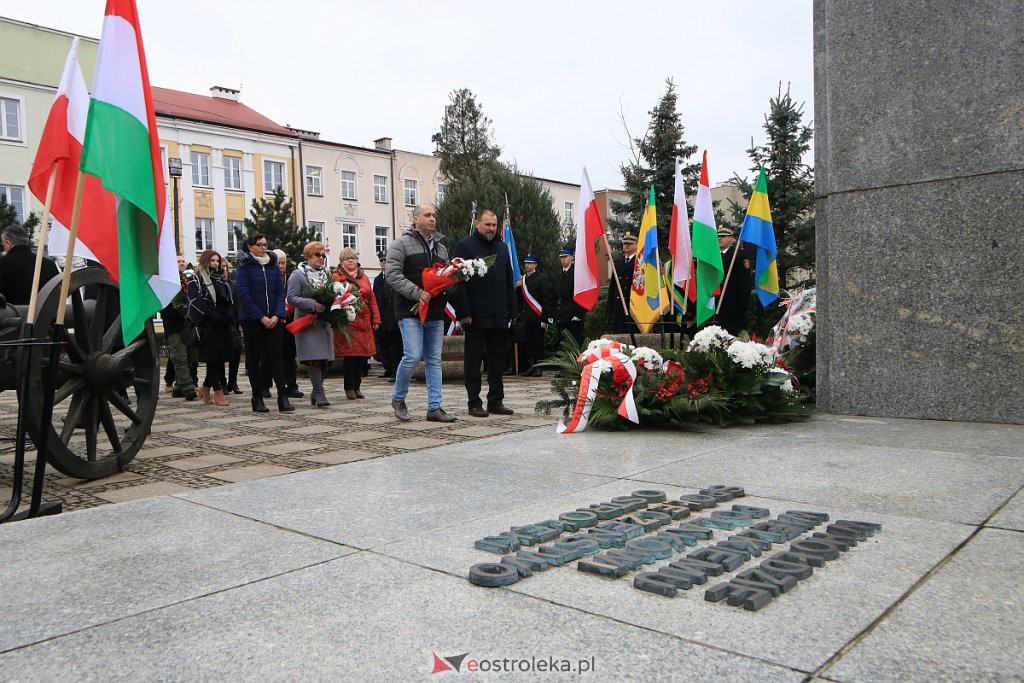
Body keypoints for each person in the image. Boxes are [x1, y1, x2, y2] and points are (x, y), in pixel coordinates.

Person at [384, 204, 456, 423]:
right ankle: (398, 399)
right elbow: (392, 275)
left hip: (434, 310)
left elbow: (445, 275)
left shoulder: (441, 248)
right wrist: (418, 293)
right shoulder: (400, 244)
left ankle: (434, 407)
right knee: (413, 355)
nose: (432, 218)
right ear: (414, 218)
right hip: (409, 310)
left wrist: (454, 282)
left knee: (434, 360)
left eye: (434, 215)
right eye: (427, 215)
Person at [450, 209, 517, 417]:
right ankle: (474, 403)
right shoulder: (464, 246)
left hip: (499, 315)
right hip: (475, 316)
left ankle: (496, 401)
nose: (491, 229)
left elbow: (508, 279)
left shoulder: (502, 247)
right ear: (478, 224)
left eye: (494, 225)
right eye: (488, 224)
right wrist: (464, 312)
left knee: (497, 362)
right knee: (473, 363)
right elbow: (458, 282)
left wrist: (513, 310)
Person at [235, 233, 294, 413]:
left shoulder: (272, 265)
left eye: (265, 244)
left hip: (273, 319)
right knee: (254, 357)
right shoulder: (244, 266)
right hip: (252, 319)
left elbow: (280, 291)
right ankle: (257, 397)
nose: (263, 248)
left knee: (276, 355)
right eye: (259, 244)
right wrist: (261, 316)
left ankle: (283, 396)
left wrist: (277, 315)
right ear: (250, 247)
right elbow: (243, 294)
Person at [287, 241, 335, 407]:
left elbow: (332, 293)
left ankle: (316, 391)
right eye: (317, 255)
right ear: (308, 256)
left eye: (323, 255)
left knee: (325, 360)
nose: (321, 258)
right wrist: (311, 304)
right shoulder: (298, 275)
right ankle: (320, 392)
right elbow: (291, 297)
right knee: (314, 359)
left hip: (324, 322)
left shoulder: (326, 274)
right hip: (307, 323)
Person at [185, 249, 234, 406]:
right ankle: (218, 392)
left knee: (220, 359)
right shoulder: (196, 278)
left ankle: (205, 389)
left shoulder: (222, 279)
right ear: (205, 261)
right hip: (207, 324)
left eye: (217, 261)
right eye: (212, 260)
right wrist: (214, 316)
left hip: (222, 323)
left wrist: (228, 315)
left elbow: (229, 299)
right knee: (213, 359)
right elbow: (196, 301)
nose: (215, 264)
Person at [333, 247, 380, 400]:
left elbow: (371, 298)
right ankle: (349, 387)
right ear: (342, 262)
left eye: (353, 257)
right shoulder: (337, 277)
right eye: (347, 258)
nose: (350, 260)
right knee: (350, 357)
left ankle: (357, 386)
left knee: (361, 357)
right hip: (349, 320)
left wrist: (376, 319)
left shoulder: (364, 276)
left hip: (364, 321)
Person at [161, 253, 197, 401]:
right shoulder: (167, 283)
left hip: (189, 325)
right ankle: (188, 387)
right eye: (178, 261)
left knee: (191, 356)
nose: (181, 263)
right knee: (179, 356)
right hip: (174, 326)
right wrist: (181, 312)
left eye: (183, 261)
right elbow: (164, 307)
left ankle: (178, 387)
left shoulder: (191, 281)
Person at [0, 224, 59, 306]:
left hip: (11, 312)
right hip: (44, 313)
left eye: (3, 245)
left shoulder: (2, 264)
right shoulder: (48, 265)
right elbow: (58, 292)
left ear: (8, 243)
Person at [273, 248, 303, 400]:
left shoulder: (291, 278)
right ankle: (265, 385)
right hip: (273, 321)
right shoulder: (269, 277)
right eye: (278, 263)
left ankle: (292, 385)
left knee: (289, 355)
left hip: (289, 322)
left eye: (283, 263)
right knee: (272, 355)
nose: (281, 266)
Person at [516, 254, 552, 376]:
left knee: (538, 343)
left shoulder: (542, 278)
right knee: (529, 343)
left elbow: (547, 299)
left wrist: (545, 319)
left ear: (535, 265)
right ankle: (531, 366)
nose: (527, 265)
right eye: (526, 263)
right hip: (527, 317)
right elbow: (520, 300)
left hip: (538, 316)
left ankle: (539, 367)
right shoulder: (522, 280)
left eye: (530, 263)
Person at [714, 226, 754, 335]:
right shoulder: (713, 256)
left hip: (732, 304)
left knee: (730, 336)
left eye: (723, 236)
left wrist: (742, 307)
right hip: (713, 303)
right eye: (718, 236)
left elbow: (745, 284)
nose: (719, 238)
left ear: (731, 239)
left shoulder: (739, 255)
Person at [372, 250, 401, 380]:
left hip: (394, 316)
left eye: (386, 260)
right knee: (383, 343)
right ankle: (388, 367)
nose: (384, 262)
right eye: (382, 260)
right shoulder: (378, 279)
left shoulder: (396, 276)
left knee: (396, 345)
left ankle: (396, 370)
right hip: (381, 316)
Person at [553, 247, 586, 347]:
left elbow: (582, 294)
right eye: (561, 257)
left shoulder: (577, 274)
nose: (563, 259)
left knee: (575, 344)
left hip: (573, 315)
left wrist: (578, 314)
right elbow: (555, 295)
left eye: (565, 257)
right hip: (561, 315)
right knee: (563, 344)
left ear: (572, 257)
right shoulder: (558, 276)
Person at [607, 231, 638, 334]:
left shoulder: (639, 262)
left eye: (629, 243)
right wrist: (610, 307)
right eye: (625, 243)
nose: (626, 245)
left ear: (636, 245)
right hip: (619, 306)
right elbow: (613, 285)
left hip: (633, 306)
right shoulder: (618, 262)